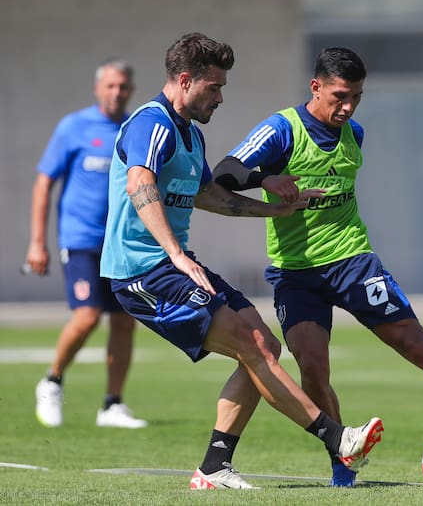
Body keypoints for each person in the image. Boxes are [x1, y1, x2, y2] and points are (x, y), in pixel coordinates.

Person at [212, 46, 423, 487]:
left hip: (353, 261)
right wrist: (265, 179)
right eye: (339, 96)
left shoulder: (355, 132)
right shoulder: (282, 130)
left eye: (356, 96)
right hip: (296, 274)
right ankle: (341, 459)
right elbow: (223, 172)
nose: (348, 106)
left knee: (416, 342)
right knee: (312, 366)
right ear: (315, 87)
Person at [99, 33, 383, 490]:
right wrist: (175, 254)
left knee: (265, 348)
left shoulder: (189, 133)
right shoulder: (151, 124)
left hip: (174, 265)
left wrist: (274, 207)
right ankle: (338, 439)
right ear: (186, 80)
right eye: (214, 87)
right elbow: (139, 183)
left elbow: (209, 194)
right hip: (142, 273)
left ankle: (214, 467)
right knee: (251, 343)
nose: (221, 97)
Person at [27, 58, 147, 429]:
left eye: (123, 86)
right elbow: (44, 183)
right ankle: (52, 381)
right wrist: (37, 242)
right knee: (87, 315)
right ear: (98, 88)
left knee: (125, 321)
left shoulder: (133, 129)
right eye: (110, 86)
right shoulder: (74, 127)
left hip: (121, 242)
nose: (117, 92)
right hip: (80, 239)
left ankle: (112, 404)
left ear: (131, 90)